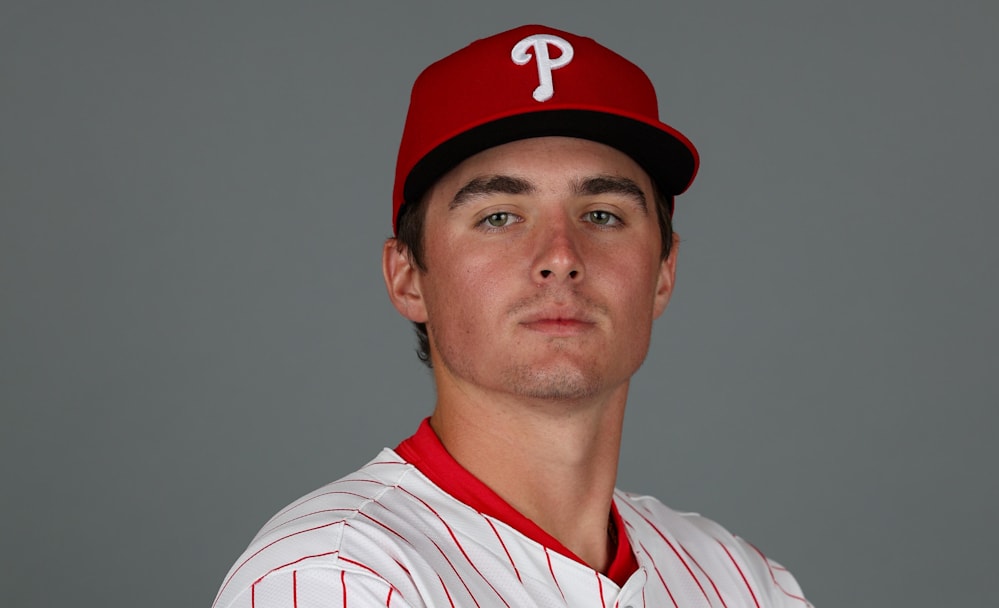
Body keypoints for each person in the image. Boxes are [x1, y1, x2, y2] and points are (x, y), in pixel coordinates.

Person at [212, 24, 812, 608]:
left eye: (602, 214)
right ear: (408, 277)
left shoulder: (742, 582)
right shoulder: (333, 578)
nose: (560, 256)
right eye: (499, 216)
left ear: (663, 273)